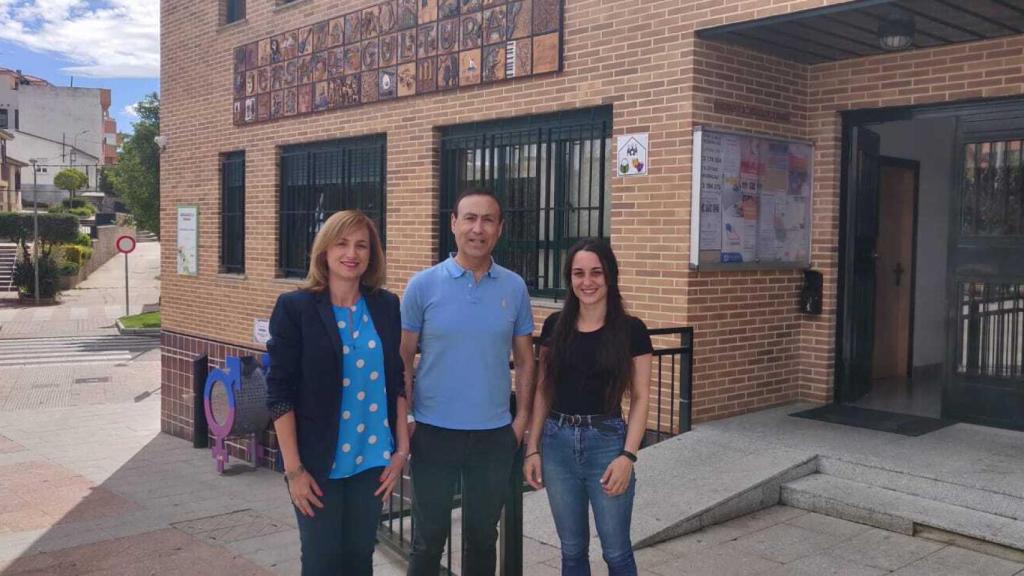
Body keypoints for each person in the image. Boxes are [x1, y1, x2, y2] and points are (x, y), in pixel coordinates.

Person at [266, 210, 410, 576]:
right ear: (324, 251)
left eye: (362, 245)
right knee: (321, 564)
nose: (352, 253)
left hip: (373, 461)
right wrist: (294, 470)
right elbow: (280, 392)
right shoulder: (295, 308)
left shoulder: (385, 306)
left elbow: (396, 380)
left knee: (360, 561)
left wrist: (401, 450)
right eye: (342, 243)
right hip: (317, 467)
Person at [401, 188, 535, 576]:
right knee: (428, 538)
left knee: (482, 537)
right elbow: (402, 359)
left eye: (488, 220)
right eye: (470, 218)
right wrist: (406, 419)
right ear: (453, 224)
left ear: (500, 229)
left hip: (493, 436)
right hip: (432, 431)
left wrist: (520, 422)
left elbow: (526, 362)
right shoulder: (422, 286)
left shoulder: (514, 287)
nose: (478, 228)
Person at [523, 238, 652, 576]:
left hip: (607, 444)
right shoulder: (555, 327)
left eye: (596, 272)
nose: (587, 281)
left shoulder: (632, 331)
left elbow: (640, 397)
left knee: (617, 552)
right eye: (578, 273)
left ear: (610, 276)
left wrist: (628, 456)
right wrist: (532, 448)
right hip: (557, 443)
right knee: (572, 551)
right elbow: (543, 389)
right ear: (570, 279)